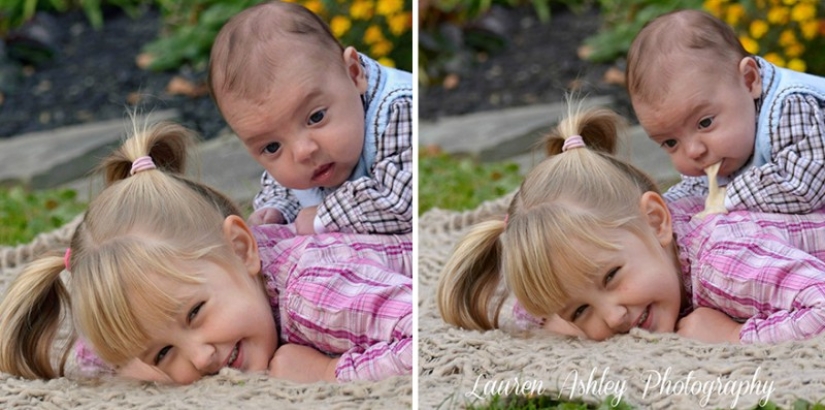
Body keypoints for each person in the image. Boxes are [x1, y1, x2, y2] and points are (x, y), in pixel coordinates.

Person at [0, 121, 412, 384]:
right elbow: (103, 355)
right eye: (164, 353)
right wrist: (135, 358)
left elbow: (421, 339)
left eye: (195, 313)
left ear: (241, 247)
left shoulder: (316, 295)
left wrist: (330, 372)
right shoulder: (192, 289)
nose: (200, 357)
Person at [438, 106, 825, 344]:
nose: (613, 317)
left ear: (657, 221)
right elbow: (538, 305)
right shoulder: (622, 250)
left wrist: (735, 336)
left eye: (610, 277)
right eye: (580, 311)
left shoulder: (725, 262)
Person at [208, 1, 413, 235]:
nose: (302, 152)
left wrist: (323, 217)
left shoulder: (398, 110)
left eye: (316, 117)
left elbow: (402, 202)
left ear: (354, 74)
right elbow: (284, 187)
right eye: (272, 146)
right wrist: (277, 210)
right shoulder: (304, 145)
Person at [626, 9, 825, 214]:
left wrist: (724, 198)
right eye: (670, 142)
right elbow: (697, 191)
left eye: (704, 123)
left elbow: (803, 186)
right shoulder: (719, 149)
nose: (693, 151)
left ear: (749, 80)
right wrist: (669, 211)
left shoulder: (791, 107)